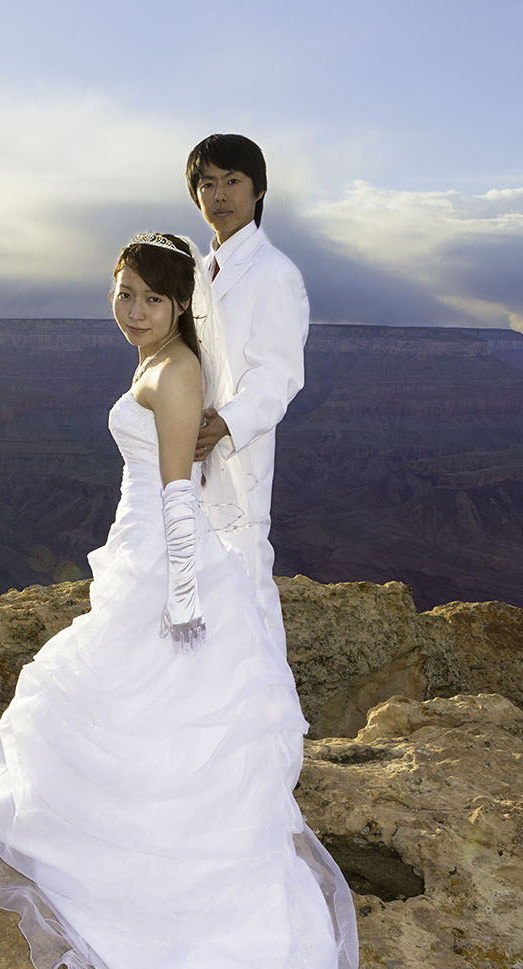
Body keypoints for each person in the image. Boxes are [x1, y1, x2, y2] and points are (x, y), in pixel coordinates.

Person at [0, 233, 357, 969]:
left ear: (179, 306)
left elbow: (176, 492)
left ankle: (165, 901)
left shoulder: (177, 371)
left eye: (150, 300)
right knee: (117, 709)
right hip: (139, 552)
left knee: (113, 698)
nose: (132, 311)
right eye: (123, 293)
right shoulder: (160, 361)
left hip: (166, 560)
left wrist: (184, 597)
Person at [188, 133, 309, 638]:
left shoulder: (276, 274)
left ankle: (268, 715)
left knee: (245, 590)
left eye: (233, 181)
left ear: (258, 190)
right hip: (182, 453)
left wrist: (223, 426)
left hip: (236, 457)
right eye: (208, 183)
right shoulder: (195, 271)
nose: (220, 196)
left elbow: (278, 376)